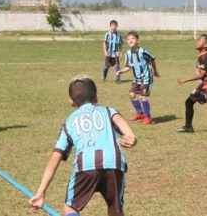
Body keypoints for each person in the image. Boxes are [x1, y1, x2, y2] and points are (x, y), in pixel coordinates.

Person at [29, 77, 136, 216]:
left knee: (70, 209)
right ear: (96, 97)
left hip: (86, 166)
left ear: (72, 102)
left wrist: (41, 192)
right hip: (114, 162)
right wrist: (131, 139)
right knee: (115, 209)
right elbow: (130, 135)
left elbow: (55, 157)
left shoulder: (70, 121)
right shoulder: (109, 111)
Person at [115, 32, 159, 125]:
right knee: (132, 95)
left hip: (146, 78)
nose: (130, 40)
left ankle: (148, 117)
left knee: (143, 97)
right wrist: (120, 71)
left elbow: (152, 60)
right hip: (136, 79)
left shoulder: (143, 51)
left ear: (138, 40)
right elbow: (128, 67)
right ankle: (140, 113)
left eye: (133, 38)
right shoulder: (128, 54)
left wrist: (155, 71)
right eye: (128, 39)